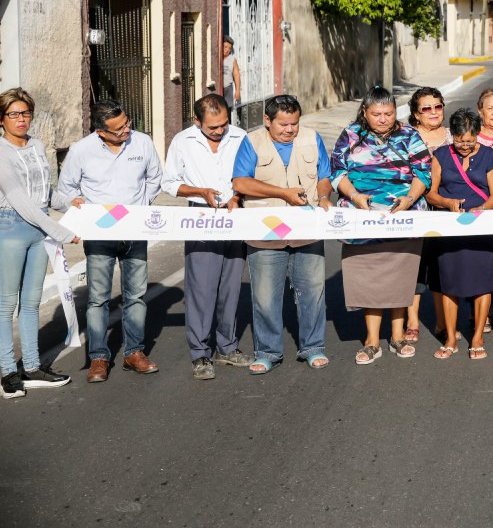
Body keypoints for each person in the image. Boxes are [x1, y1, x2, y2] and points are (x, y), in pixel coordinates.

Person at [57, 99, 162, 383]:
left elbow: (155, 179)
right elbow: (63, 191)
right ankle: (99, 358)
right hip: (100, 235)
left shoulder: (142, 143)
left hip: (135, 232)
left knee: (136, 296)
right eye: (119, 129)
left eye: (128, 123)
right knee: (98, 300)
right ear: (101, 132)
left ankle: (134, 352)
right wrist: (74, 201)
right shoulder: (81, 151)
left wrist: (141, 207)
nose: (127, 130)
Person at [330, 86, 432, 365]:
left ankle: (397, 337)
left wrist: (410, 198)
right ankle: (372, 340)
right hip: (361, 218)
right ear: (365, 112)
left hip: (403, 218)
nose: (383, 119)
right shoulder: (351, 135)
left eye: (388, 113)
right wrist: (355, 196)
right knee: (369, 279)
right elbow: (337, 171)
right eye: (376, 114)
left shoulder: (409, 135)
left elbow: (424, 171)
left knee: (400, 279)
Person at [232, 93, 334, 374]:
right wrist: (282, 194)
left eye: (294, 124)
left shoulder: (312, 138)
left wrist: (324, 197)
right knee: (265, 297)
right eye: (283, 125)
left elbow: (324, 176)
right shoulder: (251, 142)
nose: (290, 130)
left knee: (313, 293)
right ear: (267, 121)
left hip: (307, 230)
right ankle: (267, 352)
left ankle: (313, 347)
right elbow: (240, 182)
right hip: (264, 233)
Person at [161, 93, 251, 380]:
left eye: (224, 124)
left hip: (235, 215)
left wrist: (236, 196)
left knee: (231, 286)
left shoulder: (239, 137)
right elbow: (170, 182)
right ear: (197, 121)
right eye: (212, 127)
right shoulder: (182, 141)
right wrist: (200, 192)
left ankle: (228, 347)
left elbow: (248, 175)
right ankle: (200, 354)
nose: (220, 131)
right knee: (201, 288)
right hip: (200, 216)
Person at [0, 88, 78, 398]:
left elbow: (44, 193)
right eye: (13, 114)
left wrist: (72, 203)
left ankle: (31, 367)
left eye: (25, 113)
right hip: (11, 229)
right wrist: (61, 231)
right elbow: (19, 199)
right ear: (2, 118)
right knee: (6, 305)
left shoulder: (37, 145)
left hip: (39, 230)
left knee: (31, 304)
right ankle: (8, 373)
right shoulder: (1, 151)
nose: (21, 119)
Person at [426, 109, 493, 360]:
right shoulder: (440, 155)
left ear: (477, 135)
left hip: (481, 229)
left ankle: (478, 337)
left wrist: (483, 209)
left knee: (483, 284)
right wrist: (448, 203)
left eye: (470, 141)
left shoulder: (489, 156)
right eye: (460, 141)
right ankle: (450, 338)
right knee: (449, 284)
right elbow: (431, 192)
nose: (465, 146)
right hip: (450, 229)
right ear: (453, 136)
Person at [406, 86, 450, 344]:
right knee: (415, 265)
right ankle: (412, 321)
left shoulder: (453, 136)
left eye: (438, 106)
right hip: (415, 209)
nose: (433, 112)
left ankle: (443, 320)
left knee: (442, 266)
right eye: (426, 108)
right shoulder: (406, 138)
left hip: (446, 209)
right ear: (416, 114)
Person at [222, 36, 241, 122]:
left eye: (229, 48)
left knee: (227, 110)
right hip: (217, 88)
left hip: (227, 88)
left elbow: (236, 75)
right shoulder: (216, 57)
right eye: (225, 47)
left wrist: (237, 91)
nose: (227, 50)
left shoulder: (232, 59)